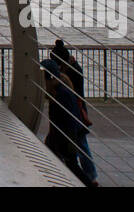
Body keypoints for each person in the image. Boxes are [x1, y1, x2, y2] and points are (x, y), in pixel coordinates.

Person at [41, 57, 98, 186]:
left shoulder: (61, 94)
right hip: (61, 137)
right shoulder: (60, 91)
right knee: (69, 165)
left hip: (66, 138)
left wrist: (66, 141)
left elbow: (67, 120)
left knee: (71, 166)